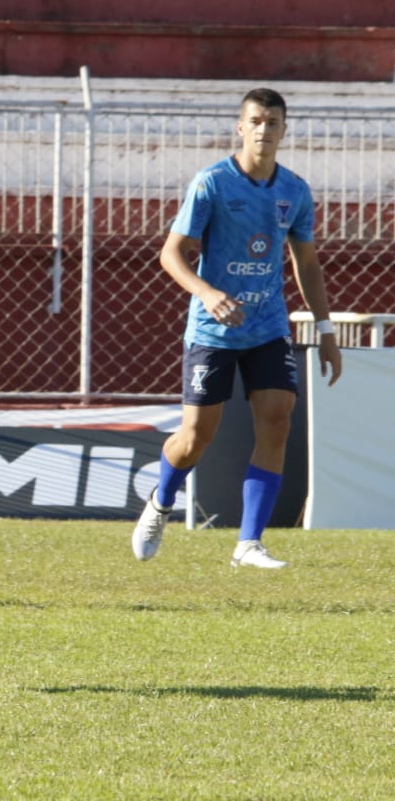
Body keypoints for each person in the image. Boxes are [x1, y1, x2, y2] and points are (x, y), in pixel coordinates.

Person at [132, 87, 342, 569]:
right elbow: (171, 253)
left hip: (267, 324)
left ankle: (248, 543)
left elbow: (307, 264)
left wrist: (326, 330)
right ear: (240, 128)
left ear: (285, 130)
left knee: (277, 418)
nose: (265, 130)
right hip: (214, 330)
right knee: (194, 438)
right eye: (257, 121)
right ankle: (160, 501)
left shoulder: (295, 190)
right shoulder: (212, 183)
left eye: (274, 122)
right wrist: (207, 292)